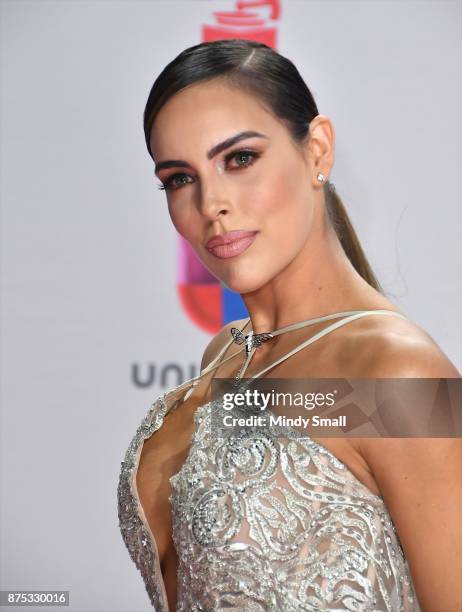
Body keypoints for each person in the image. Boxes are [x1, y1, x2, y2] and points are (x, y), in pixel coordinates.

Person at [117, 39, 461, 611]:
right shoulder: (228, 354)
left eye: (240, 158)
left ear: (318, 150)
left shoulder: (399, 373)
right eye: (179, 178)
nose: (212, 203)